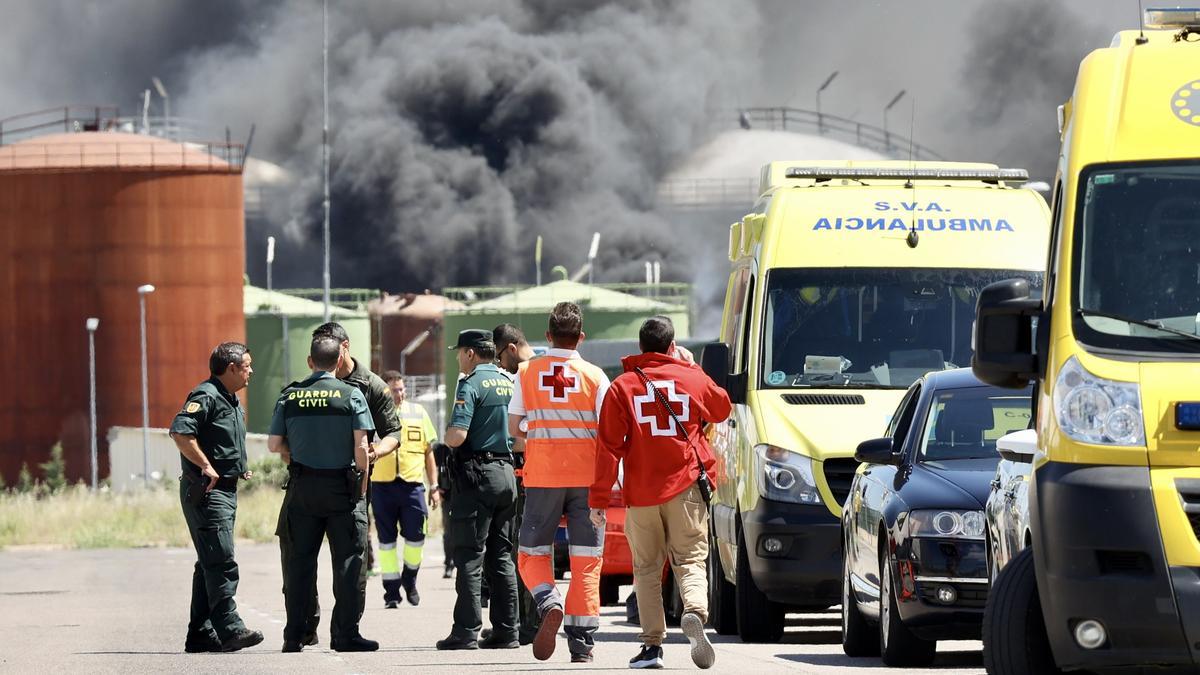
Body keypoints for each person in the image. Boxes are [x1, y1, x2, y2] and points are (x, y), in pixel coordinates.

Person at [590, 316, 731, 670]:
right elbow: (722, 407)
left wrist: (598, 500)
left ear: (640, 346)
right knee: (690, 560)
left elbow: (607, 447)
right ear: (672, 346)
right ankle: (695, 611)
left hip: (641, 494)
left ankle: (652, 647)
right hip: (685, 488)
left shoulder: (622, 386)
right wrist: (693, 367)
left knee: (647, 570)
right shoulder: (691, 377)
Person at [275, 322, 401, 644]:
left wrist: (375, 453)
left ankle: (329, 630)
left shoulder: (370, 386)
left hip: (329, 483)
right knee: (301, 558)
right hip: (341, 485)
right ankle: (306, 628)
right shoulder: (349, 395)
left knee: (342, 564)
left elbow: (392, 434)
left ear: (343, 346)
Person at [509, 303, 611, 663]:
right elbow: (610, 432)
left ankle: (548, 601)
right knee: (586, 560)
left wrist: (534, 430)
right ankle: (582, 644)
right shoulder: (597, 377)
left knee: (530, 554)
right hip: (587, 481)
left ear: (548, 335)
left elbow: (514, 427)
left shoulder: (526, 372)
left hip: (543, 478)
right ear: (581, 337)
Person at [170, 342, 264, 654]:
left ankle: (200, 633)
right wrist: (207, 466)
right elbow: (181, 433)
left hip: (226, 488)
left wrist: (240, 467)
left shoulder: (231, 399)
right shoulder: (205, 395)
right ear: (232, 367)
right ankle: (231, 628)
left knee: (209, 560)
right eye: (247, 365)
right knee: (221, 559)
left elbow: (224, 440)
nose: (251, 370)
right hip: (208, 491)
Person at [436, 329, 520, 651]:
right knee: (501, 556)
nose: (458, 358)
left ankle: (466, 631)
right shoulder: (509, 381)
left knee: (470, 557)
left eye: (460, 352)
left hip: (477, 478)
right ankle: (506, 630)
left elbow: (457, 435)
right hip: (506, 474)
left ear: (471, 353)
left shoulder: (470, 384)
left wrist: (446, 437)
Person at [371, 370, 440, 608]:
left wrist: (434, 486)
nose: (399, 394)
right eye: (393, 390)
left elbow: (428, 451)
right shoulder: (374, 414)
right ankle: (391, 592)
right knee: (386, 542)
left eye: (401, 389)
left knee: (416, 537)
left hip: (412, 486)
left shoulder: (418, 413)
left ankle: (410, 578)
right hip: (382, 486)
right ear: (384, 391)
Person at [491, 322, 541, 646]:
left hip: (530, 474)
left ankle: (531, 624)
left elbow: (523, 436)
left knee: (524, 550)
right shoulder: (543, 369)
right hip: (545, 473)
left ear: (511, 348)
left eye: (499, 356)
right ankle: (528, 622)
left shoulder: (526, 374)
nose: (498, 364)